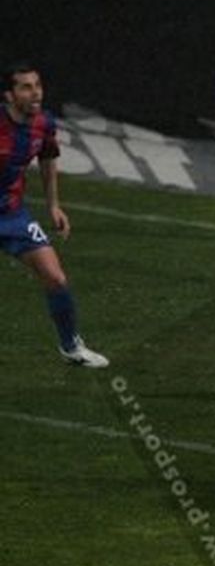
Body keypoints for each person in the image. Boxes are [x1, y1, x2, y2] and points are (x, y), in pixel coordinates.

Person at [1, 62, 107, 368]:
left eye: (38, 85)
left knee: (55, 277)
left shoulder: (43, 123)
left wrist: (53, 205)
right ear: (9, 95)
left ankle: (71, 347)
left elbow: (47, 159)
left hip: (12, 215)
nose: (35, 93)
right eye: (26, 87)